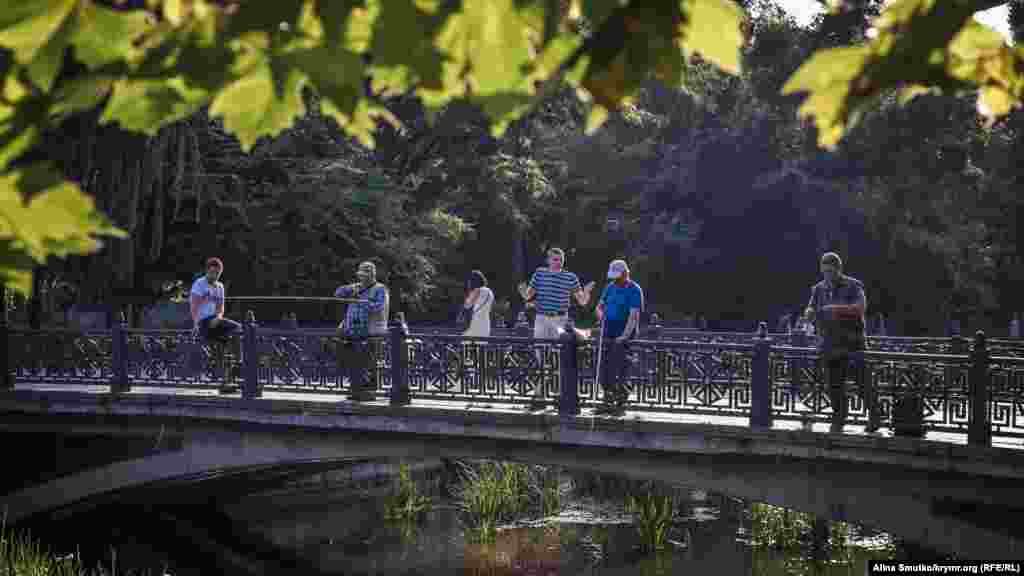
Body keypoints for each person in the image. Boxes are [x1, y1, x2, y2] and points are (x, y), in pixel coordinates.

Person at [803, 252, 876, 435]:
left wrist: (836, 309)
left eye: (831, 271)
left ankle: (875, 418)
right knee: (834, 385)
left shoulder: (854, 285)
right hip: (830, 343)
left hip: (853, 343)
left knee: (863, 383)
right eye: (824, 271)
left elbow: (860, 309)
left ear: (838, 269)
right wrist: (809, 312)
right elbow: (812, 306)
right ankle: (839, 418)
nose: (828, 275)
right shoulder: (818, 289)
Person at [517, 247, 595, 409]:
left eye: (560, 260)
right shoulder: (539, 273)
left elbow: (582, 302)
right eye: (555, 259)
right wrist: (523, 291)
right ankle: (540, 395)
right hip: (542, 318)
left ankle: (557, 395)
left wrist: (586, 293)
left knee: (559, 357)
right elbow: (528, 295)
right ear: (548, 260)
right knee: (541, 356)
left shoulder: (570, 277)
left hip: (560, 319)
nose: (558, 262)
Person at [334, 261, 389, 401]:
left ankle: (367, 392)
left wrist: (362, 302)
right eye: (361, 275)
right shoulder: (356, 287)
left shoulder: (380, 289)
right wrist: (349, 289)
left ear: (372, 275)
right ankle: (355, 390)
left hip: (371, 331)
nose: (362, 278)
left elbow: (378, 307)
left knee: (367, 362)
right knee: (353, 360)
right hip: (352, 330)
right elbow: (338, 294)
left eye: (365, 275)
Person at [594, 259, 643, 415]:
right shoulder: (610, 287)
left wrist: (624, 336)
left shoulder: (635, 289)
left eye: (618, 276)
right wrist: (601, 315)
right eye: (613, 276)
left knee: (622, 365)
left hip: (625, 329)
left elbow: (633, 316)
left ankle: (621, 401)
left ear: (625, 273)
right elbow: (599, 307)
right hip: (608, 328)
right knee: (605, 365)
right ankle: (607, 398)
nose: (615, 279)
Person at [190, 257, 243, 389]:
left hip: (215, 321)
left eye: (218, 273)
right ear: (207, 271)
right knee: (234, 329)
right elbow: (194, 306)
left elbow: (221, 307)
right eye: (213, 272)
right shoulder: (199, 284)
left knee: (236, 331)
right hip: (203, 322)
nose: (215, 276)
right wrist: (195, 324)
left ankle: (234, 368)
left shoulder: (220, 286)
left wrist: (218, 317)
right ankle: (232, 368)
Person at [463, 270, 494, 338]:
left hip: (475, 324)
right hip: (486, 323)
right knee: (481, 345)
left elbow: (466, 306)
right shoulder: (490, 291)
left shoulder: (477, 291)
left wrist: (469, 291)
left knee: (470, 346)